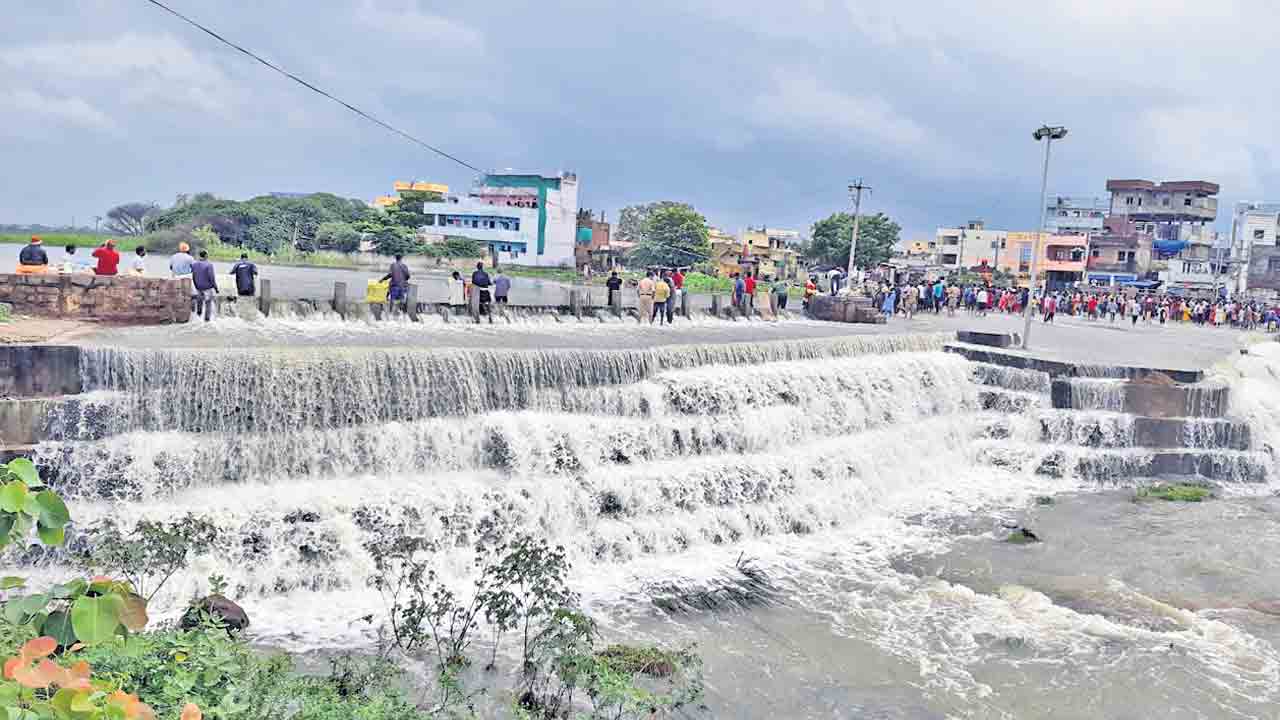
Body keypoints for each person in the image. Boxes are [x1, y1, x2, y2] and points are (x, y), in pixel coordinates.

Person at [190, 250, 218, 322]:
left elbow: (194, 276)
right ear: (206, 256)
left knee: (199, 303)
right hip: (207, 288)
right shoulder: (209, 265)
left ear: (199, 256)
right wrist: (215, 288)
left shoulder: (194, 264)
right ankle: (207, 320)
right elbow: (211, 277)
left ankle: (198, 316)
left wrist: (196, 285)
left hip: (198, 287)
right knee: (208, 303)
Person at [170, 242, 197, 312]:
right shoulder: (190, 258)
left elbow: (171, 267)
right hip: (187, 278)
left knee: (176, 295)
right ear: (187, 250)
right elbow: (194, 268)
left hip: (175, 277)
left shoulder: (173, 256)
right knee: (194, 295)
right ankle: (193, 311)